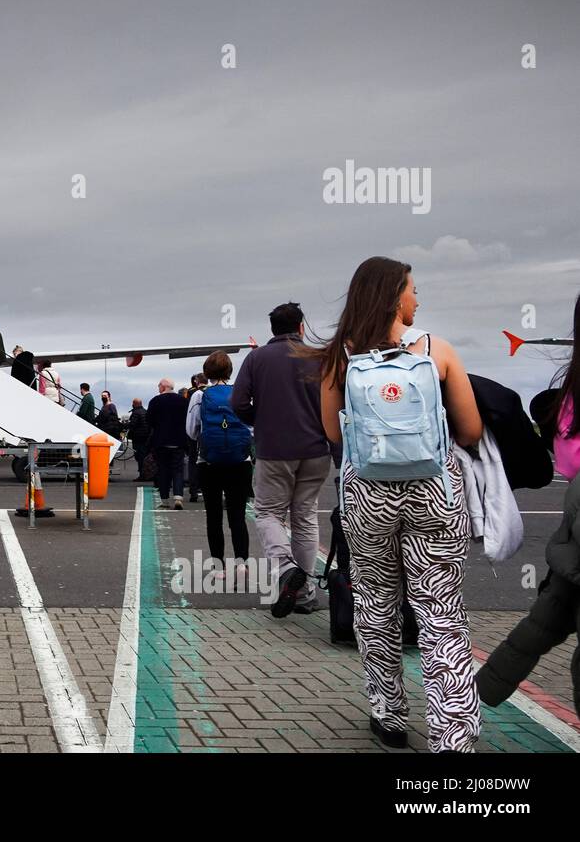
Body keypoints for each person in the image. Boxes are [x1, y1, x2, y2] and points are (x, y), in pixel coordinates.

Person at [311, 256, 483, 753]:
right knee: (440, 611)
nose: (417, 299)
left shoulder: (338, 361)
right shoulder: (437, 352)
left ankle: (388, 714)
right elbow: (469, 430)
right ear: (393, 296)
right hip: (434, 493)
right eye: (412, 289)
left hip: (369, 497)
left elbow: (331, 433)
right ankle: (453, 739)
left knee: (376, 604)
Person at [478, 291, 580, 719]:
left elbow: (567, 459)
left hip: (571, 545)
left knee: (539, 627)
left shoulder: (570, 393)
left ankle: (469, 698)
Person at [231, 301, 332, 617]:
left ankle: (286, 567)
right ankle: (305, 594)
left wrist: (258, 419)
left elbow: (238, 402)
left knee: (268, 513)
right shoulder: (319, 358)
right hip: (316, 449)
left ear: (271, 329)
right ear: (302, 327)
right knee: (304, 516)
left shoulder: (257, 358)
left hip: (274, 450)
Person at [187, 352, 253, 576]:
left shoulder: (199, 396)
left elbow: (192, 430)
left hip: (209, 462)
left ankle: (218, 566)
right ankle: (242, 561)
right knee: (238, 514)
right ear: (229, 371)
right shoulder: (240, 394)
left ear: (206, 372)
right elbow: (251, 428)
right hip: (240, 462)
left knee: (213, 515)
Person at [146, 378, 189, 509]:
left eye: (159, 386)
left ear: (163, 387)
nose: (158, 388)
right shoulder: (183, 401)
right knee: (178, 470)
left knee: (163, 470)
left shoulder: (155, 401)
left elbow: (149, 421)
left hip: (161, 441)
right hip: (178, 440)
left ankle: (164, 500)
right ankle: (178, 497)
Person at [184, 373, 206, 501]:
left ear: (196, 382)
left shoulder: (195, 394)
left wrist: (191, 435)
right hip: (212, 433)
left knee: (193, 462)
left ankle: (193, 491)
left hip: (198, 435)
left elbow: (192, 416)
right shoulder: (212, 392)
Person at [127, 397, 152, 481]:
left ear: (134, 404)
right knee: (145, 456)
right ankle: (147, 474)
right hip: (146, 438)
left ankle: (142, 475)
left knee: (139, 457)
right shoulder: (145, 412)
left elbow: (132, 425)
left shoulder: (135, 413)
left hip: (138, 438)